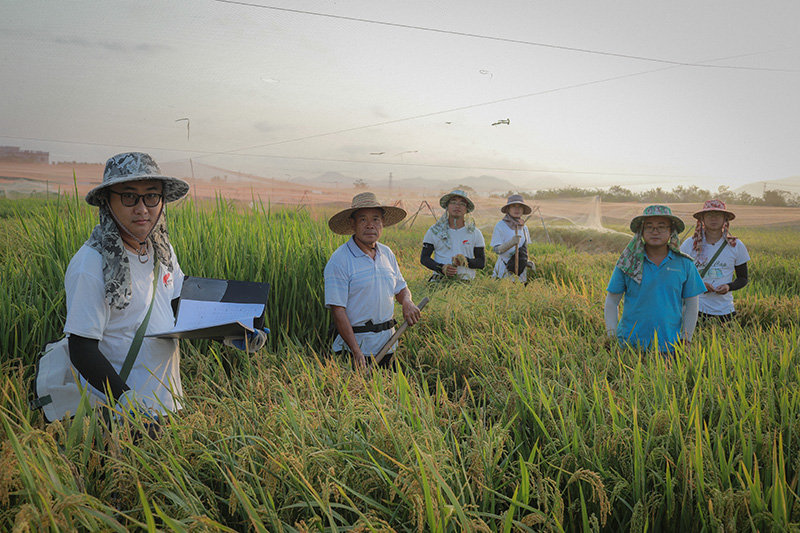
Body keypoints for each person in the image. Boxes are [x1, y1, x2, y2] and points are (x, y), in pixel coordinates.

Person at [64, 152, 265, 422]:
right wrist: (126, 403)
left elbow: (179, 307)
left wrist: (235, 332)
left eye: (151, 196)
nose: (142, 208)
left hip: (166, 403)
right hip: (118, 415)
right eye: (128, 196)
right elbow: (81, 348)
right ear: (107, 201)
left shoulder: (162, 251)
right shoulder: (92, 264)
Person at [324, 192, 421, 369]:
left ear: (382, 223)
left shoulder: (387, 253)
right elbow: (338, 311)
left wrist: (407, 301)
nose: (370, 225)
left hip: (389, 345)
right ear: (352, 224)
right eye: (363, 220)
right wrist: (356, 352)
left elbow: (401, 287)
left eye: (375, 219)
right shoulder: (340, 260)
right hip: (355, 349)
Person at [604, 205, 706, 356]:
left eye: (661, 227)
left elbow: (692, 304)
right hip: (629, 345)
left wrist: (686, 339)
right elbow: (612, 301)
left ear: (672, 231)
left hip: (670, 346)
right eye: (649, 227)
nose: (655, 231)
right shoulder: (628, 264)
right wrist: (611, 336)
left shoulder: (685, 264)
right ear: (641, 232)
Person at [680, 199, 750, 323]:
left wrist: (729, 286)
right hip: (695, 308)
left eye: (718, 215)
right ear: (702, 219)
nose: (714, 219)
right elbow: (678, 276)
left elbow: (743, 278)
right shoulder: (689, 245)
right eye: (709, 215)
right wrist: (699, 286)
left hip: (726, 310)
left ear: (725, 219)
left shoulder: (735, 245)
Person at [420, 189, 486, 281]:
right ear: (447, 206)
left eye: (462, 203)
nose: (457, 206)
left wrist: (465, 261)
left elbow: (481, 262)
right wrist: (441, 268)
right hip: (439, 280)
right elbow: (424, 258)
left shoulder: (474, 233)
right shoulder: (434, 231)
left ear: (466, 209)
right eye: (453, 202)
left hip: (466, 282)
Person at [490, 194, 534, 282]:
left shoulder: (524, 228)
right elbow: (496, 250)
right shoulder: (501, 225)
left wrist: (526, 262)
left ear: (523, 210)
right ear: (508, 209)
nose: (517, 209)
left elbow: (524, 249)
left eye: (520, 207)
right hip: (503, 272)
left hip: (520, 275)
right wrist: (510, 243)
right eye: (513, 206)